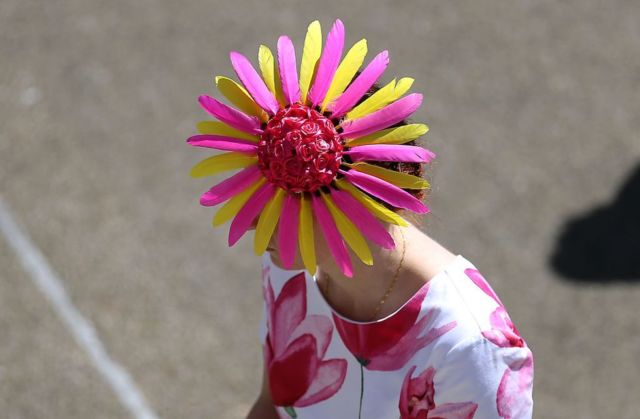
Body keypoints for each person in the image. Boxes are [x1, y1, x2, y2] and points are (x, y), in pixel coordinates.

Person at [186, 18, 534, 419]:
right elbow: (271, 408)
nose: (251, 221)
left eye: (280, 192)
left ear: (353, 201)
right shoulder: (291, 263)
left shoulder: (470, 349)